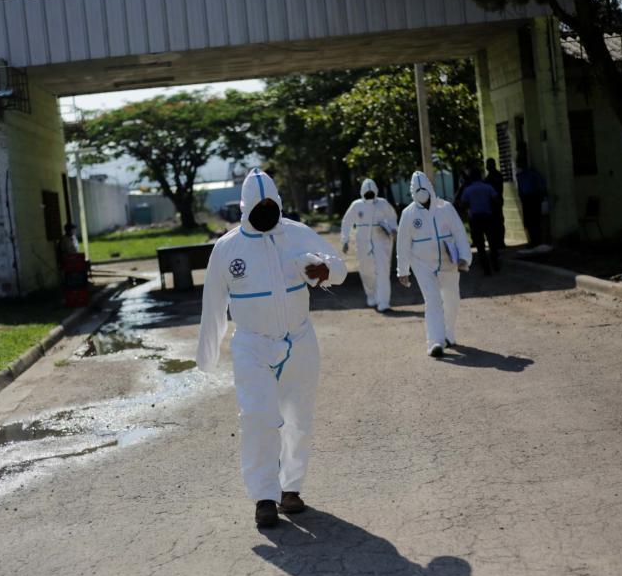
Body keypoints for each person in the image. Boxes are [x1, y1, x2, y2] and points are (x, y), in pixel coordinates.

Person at [196, 168, 348, 528]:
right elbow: (213, 303)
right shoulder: (227, 247)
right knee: (257, 419)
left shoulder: (296, 234)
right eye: (258, 205)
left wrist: (323, 271)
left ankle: (290, 488)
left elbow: (339, 269)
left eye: (271, 204)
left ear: (278, 203)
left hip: (299, 341)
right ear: (245, 206)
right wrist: (208, 355)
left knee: (299, 419)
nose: (265, 210)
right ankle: (265, 496)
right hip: (252, 346)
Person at [397, 172, 472, 358]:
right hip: (422, 264)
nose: (422, 193)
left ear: (431, 189)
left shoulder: (446, 208)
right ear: (412, 192)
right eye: (417, 190)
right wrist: (403, 270)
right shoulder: (408, 214)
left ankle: (449, 334)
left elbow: (459, 233)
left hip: (448, 262)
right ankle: (435, 342)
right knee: (432, 301)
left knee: (452, 299)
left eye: (424, 189)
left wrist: (464, 257)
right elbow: (403, 244)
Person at [340, 178, 398, 312]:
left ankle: (384, 302)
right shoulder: (356, 205)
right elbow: (347, 222)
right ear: (362, 193)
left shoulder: (382, 204)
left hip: (381, 239)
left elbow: (392, 217)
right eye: (367, 193)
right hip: (363, 241)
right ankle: (371, 295)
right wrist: (345, 240)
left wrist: (393, 228)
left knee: (383, 271)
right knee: (366, 271)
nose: (370, 196)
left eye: (372, 193)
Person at [459, 168, 501, 275]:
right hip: (488, 217)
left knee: (480, 244)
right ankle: (495, 263)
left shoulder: (468, 190)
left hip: (475, 219)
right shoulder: (488, 187)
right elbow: (496, 199)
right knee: (492, 241)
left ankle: (486, 268)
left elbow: (463, 203)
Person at [515, 156, 547, 247]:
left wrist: (541, 196)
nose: (518, 165)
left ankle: (537, 240)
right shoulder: (521, 175)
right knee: (530, 221)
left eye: (519, 163)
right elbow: (520, 190)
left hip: (533, 198)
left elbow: (541, 185)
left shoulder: (532, 174)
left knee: (535, 221)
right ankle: (534, 240)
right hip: (527, 199)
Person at [484, 158, 506, 249]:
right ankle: (497, 242)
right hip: (493, 203)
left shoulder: (495, 176)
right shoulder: (490, 177)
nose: (487, 167)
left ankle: (500, 242)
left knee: (498, 222)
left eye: (489, 164)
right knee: (494, 223)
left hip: (496, 202)